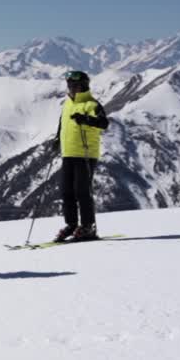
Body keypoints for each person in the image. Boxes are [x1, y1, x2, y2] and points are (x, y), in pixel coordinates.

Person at [54, 70, 109, 242]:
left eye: (75, 85)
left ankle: (87, 227)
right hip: (68, 152)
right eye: (69, 85)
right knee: (66, 192)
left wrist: (85, 120)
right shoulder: (67, 104)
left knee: (82, 191)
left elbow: (103, 123)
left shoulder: (92, 104)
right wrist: (57, 139)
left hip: (85, 153)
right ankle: (72, 225)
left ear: (84, 86)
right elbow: (63, 124)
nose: (72, 88)